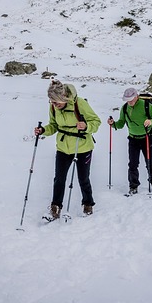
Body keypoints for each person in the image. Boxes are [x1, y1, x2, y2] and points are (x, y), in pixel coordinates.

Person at [35, 80, 101, 220]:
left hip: (82, 146)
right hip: (63, 147)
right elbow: (53, 125)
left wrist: (86, 126)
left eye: (57, 101)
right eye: (52, 102)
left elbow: (96, 122)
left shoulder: (80, 103)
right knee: (59, 178)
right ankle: (55, 208)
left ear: (64, 96)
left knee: (83, 178)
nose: (55, 105)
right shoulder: (53, 108)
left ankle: (88, 204)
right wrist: (43, 130)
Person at [107, 88, 152, 195]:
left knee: (149, 163)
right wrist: (113, 124)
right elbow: (121, 123)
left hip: (147, 138)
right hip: (133, 139)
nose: (130, 102)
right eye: (127, 100)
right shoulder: (124, 108)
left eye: (131, 99)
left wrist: (151, 121)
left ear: (136, 96)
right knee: (132, 164)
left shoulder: (146, 105)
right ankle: (133, 186)